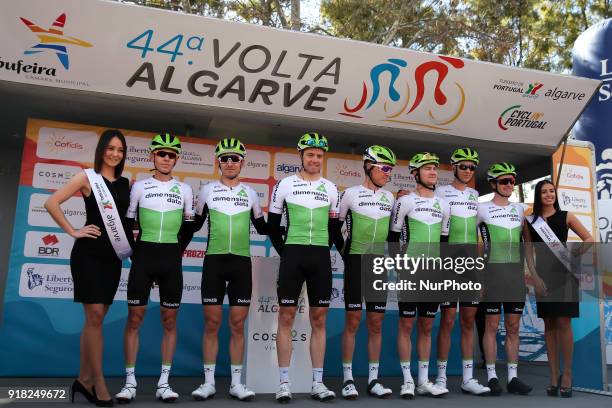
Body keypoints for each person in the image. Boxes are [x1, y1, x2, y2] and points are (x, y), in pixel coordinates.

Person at [45, 129, 131, 407]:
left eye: (120, 150)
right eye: (110, 148)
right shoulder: (87, 178)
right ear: (102, 150)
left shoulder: (126, 184)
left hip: (112, 258)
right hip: (89, 256)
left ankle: (82, 379)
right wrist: (73, 230)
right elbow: (51, 202)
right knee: (94, 316)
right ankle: (98, 383)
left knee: (95, 320)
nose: (115, 154)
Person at [115, 133, 195, 403]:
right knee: (134, 319)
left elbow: (188, 228)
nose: (166, 158)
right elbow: (127, 225)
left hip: (170, 259)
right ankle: (129, 383)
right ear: (153, 156)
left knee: (169, 320)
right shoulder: (139, 186)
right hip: (144, 257)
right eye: (161, 153)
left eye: (171, 155)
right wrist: (137, 255)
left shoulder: (184, 189)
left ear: (176, 159)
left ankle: (164, 382)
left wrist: (176, 253)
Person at [268, 132, 343, 402]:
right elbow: (273, 227)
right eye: (310, 154)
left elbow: (335, 229)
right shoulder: (284, 185)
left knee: (319, 319)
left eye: (319, 155)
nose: (315, 159)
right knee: (286, 317)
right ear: (301, 156)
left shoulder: (331, 188)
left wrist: (333, 251)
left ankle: (317, 383)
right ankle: (284, 383)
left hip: (320, 258)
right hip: (294, 256)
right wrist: (287, 252)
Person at [190, 138, 267, 401]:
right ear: (218, 162)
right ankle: (208, 382)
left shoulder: (252, 193)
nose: (230, 163)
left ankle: (236, 383)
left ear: (242, 162)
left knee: (237, 324)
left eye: (235, 158)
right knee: (212, 323)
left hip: (240, 265)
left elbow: (264, 227)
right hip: (214, 262)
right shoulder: (207, 191)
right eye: (225, 158)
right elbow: (194, 225)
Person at [524, 179, 593, 398]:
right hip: (543, 276)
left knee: (564, 323)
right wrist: (534, 277)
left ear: (556, 194)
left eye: (551, 191)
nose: (548, 195)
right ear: (538, 195)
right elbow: (527, 251)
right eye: (544, 192)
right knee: (549, 326)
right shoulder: (531, 220)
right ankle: (553, 375)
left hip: (565, 275)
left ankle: (568, 375)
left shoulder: (567, 216)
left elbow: (589, 238)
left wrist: (577, 253)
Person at [389, 152, 450, 398]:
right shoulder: (405, 201)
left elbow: (444, 244)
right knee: (406, 324)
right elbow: (393, 239)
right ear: (415, 174)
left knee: (426, 326)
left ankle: (424, 380)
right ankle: (407, 381)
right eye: (427, 169)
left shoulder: (444, 205)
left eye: (435, 168)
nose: (433, 172)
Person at [338, 145, 397, 399]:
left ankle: (373, 380)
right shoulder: (350, 194)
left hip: (377, 265)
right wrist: (345, 254)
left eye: (390, 170)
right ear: (368, 167)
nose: (388, 174)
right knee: (352, 321)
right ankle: (347, 379)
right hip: (354, 261)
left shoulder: (391, 198)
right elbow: (334, 228)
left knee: (376, 323)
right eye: (384, 168)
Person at [434, 148, 490, 395]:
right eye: (464, 166)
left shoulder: (475, 194)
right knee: (447, 320)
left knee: (468, 321)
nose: (468, 171)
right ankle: (442, 378)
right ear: (453, 167)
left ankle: (468, 378)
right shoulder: (440, 192)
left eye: (471, 167)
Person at [477, 162, 532, 396]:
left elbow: (528, 243)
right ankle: (491, 376)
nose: (509, 185)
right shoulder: (481, 209)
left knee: (513, 326)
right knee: (491, 326)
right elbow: (474, 245)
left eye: (512, 181)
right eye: (504, 181)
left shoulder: (520, 209)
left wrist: (532, 272)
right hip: (491, 274)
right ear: (493, 184)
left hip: (514, 275)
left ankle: (513, 378)